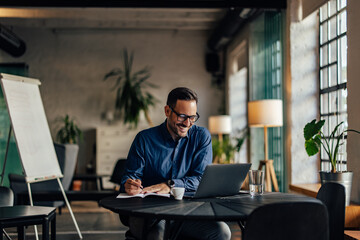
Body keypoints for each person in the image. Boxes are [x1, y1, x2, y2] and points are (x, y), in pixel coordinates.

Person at [120, 87, 231, 240]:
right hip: (149, 213)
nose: (187, 123)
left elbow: (201, 180)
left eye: (193, 117)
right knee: (158, 234)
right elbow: (130, 176)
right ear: (167, 111)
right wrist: (130, 184)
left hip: (185, 212)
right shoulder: (144, 139)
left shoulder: (201, 137)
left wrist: (171, 185)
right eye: (182, 116)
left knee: (222, 232)